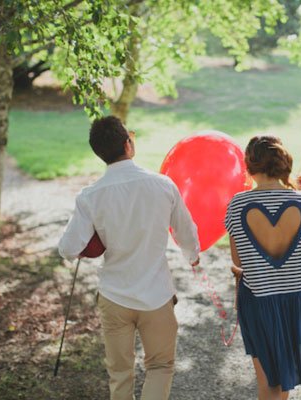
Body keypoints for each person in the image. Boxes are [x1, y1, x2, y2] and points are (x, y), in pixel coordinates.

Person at [58, 116, 200, 400]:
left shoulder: (90, 196)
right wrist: (192, 255)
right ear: (128, 144)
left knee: (120, 373)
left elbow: (68, 248)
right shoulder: (163, 185)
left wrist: (92, 241)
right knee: (160, 366)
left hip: (114, 295)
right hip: (156, 295)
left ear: (100, 153)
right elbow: (186, 232)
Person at [225, 135, 301, 400]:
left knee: (269, 381)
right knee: (284, 379)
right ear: (282, 164)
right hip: (297, 299)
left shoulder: (238, 204)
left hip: (259, 300)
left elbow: (238, 260)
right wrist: (296, 192)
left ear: (249, 166)